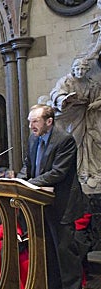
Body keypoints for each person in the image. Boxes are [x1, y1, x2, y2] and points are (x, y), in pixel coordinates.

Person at [18, 104, 88, 289]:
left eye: (35, 121)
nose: (31, 126)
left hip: (62, 205)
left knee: (66, 255)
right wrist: (19, 180)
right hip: (40, 206)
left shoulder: (64, 140)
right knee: (48, 254)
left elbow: (58, 172)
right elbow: (28, 166)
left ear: (49, 121)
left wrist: (28, 184)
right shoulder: (32, 139)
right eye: (30, 121)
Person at [49, 58, 101, 190]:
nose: (80, 71)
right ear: (73, 69)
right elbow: (56, 93)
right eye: (78, 69)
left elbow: (96, 97)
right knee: (65, 142)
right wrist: (63, 99)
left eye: (83, 69)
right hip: (66, 114)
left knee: (78, 142)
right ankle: (64, 171)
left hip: (81, 114)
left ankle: (78, 171)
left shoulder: (90, 84)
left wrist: (95, 103)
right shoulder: (66, 81)